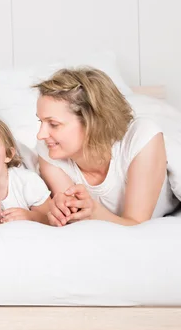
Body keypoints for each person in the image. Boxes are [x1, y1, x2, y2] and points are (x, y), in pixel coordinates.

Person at [35, 67, 179, 226]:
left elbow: (137, 226)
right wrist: (61, 212)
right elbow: (76, 222)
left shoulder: (140, 138)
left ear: (92, 122)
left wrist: (95, 213)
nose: (40, 135)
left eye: (53, 124)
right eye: (40, 122)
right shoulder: (48, 150)